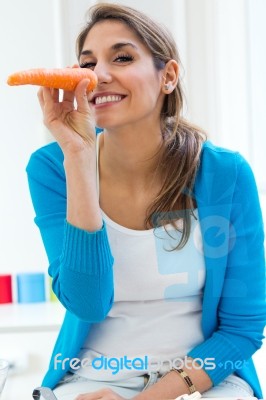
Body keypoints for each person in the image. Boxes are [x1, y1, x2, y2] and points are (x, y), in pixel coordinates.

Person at [26, 3, 266, 400]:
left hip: (203, 382)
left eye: (122, 57)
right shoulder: (54, 167)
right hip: (93, 377)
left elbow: (243, 327)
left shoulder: (224, 176)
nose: (99, 75)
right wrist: (80, 159)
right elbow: (87, 303)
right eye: (87, 63)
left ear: (168, 76)